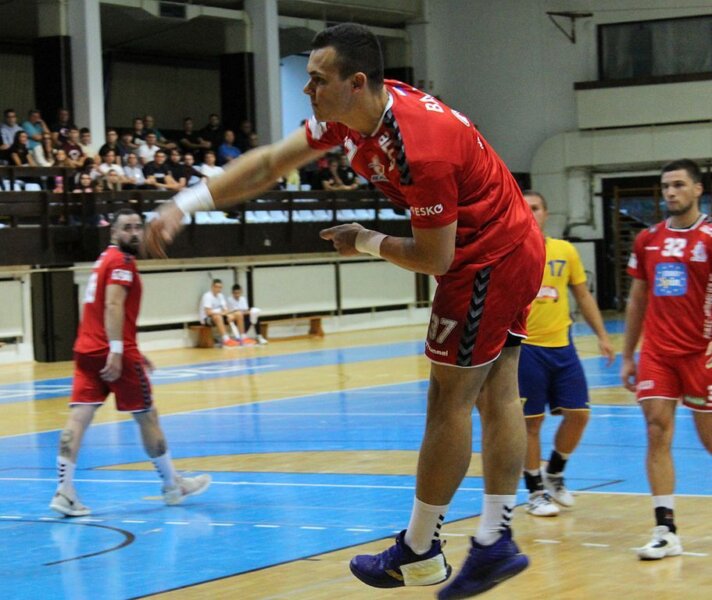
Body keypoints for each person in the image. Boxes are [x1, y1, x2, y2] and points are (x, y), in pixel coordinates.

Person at [148, 23, 545, 598]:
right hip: (511, 243)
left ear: (356, 83)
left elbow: (434, 258)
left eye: (316, 79)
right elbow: (269, 163)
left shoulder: (421, 146)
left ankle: (420, 548)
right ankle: (493, 541)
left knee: (448, 400)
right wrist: (184, 204)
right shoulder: (351, 117)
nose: (306, 89)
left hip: (485, 256)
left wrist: (363, 239)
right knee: (498, 392)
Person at [49, 209, 211, 516]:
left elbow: (100, 307)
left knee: (79, 417)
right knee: (147, 416)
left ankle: (64, 490)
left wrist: (122, 344)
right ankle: (172, 484)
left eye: (138, 227)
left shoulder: (103, 260)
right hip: (113, 353)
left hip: (87, 349)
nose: (135, 233)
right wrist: (117, 349)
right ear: (113, 232)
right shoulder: (122, 262)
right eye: (127, 228)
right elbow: (113, 304)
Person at [621, 158, 712, 560]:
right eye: (665, 187)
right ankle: (665, 530)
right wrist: (628, 354)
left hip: (701, 353)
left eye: (678, 185)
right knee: (657, 430)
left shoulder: (709, 237)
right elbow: (637, 298)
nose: (671, 192)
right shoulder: (648, 239)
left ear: (698, 189)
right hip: (658, 354)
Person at [519, 191, 614, 517]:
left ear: (546, 213)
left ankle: (555, 472)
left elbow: (583, 296)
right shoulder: (508, 250)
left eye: (536, 208)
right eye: (524, 208)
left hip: (563, 345)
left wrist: (602, 335)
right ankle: (535, 492)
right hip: (526, 347)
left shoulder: (564, 250)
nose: (530, 213)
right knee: (531, 423)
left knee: (579, 414)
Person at [199, 279, 242, 347]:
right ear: (212, 287)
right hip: (206, 319)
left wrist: (228, 315)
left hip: (220, 315)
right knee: (217, 317)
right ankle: (226, 339)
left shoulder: (220, 296)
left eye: (220, 287)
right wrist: (221, 313)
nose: (219, 289)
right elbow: (208, 312)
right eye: (217, 287)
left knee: (238, 314)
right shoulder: (207, 296)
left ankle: (242, 337)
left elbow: (226, 310)